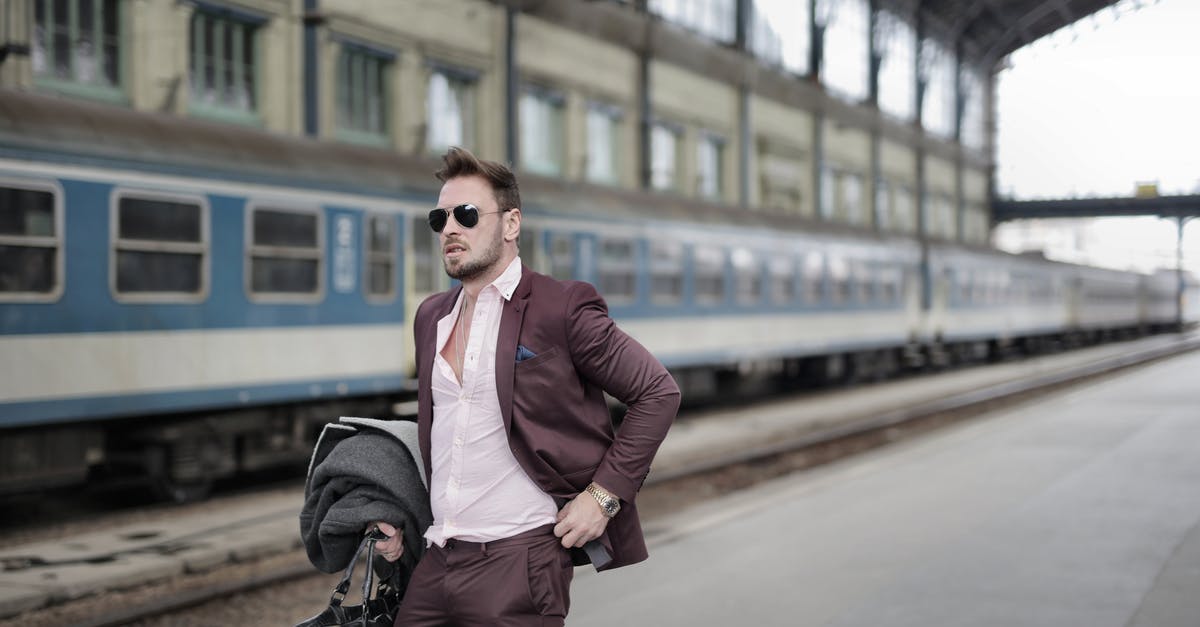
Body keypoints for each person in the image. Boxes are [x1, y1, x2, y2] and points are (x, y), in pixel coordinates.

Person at [372, 146, 680, 626]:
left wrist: (603, 497)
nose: (450, 228)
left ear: (511, 224)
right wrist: (406, 521)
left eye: (467, 215)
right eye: (440, 218)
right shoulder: (432, 316)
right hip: (437, 560)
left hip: (519, 560)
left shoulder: (562, 306)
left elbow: (657, 392)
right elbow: (446, 438)